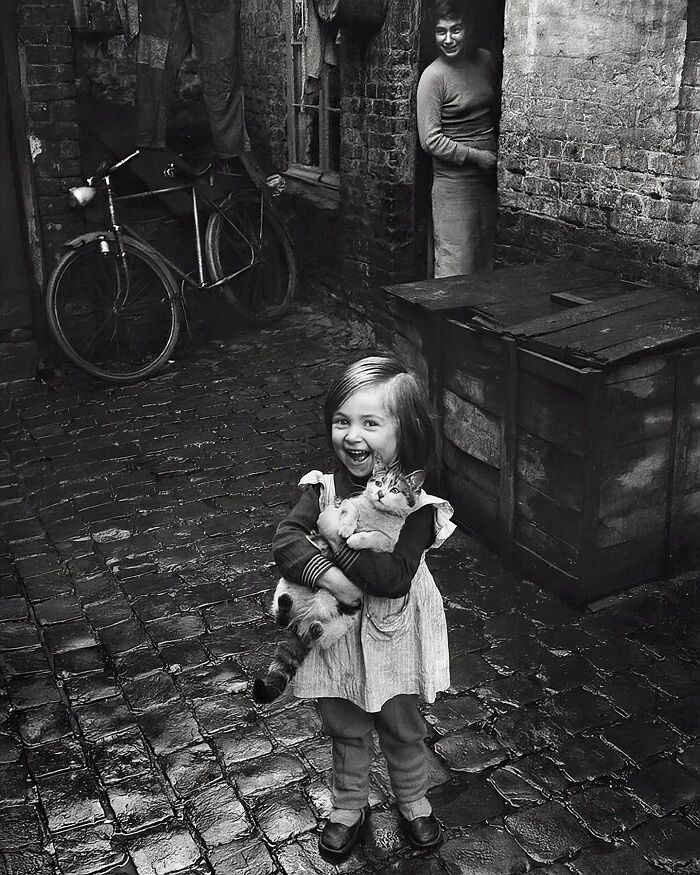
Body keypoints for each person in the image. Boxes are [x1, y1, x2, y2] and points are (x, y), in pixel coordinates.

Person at [272, 355, 456, 861]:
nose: (353, 436)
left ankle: (414, 799)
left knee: (401, 723)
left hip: (396, 633)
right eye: (342, 421)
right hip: (340, 640)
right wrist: (333, 578)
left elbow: (395, 577)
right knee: (347, 723)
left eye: (371, 423)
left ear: (407, 431)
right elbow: (287, 539)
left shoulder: (417, 508)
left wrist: (338, 546)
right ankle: (348, 806)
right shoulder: (320, 488)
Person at [417, 0, 500, 277]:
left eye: (456, 29)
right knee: (456, 264)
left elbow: (498, 110)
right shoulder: (433, 77)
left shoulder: (485, 60)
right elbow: (430, 140)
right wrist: (478, 157)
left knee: (484, 257)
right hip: (454, 187)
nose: (449, 39)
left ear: (468, 29)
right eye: (441, 32)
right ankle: (447, 320)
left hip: (488, 182)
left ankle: (474, 321)